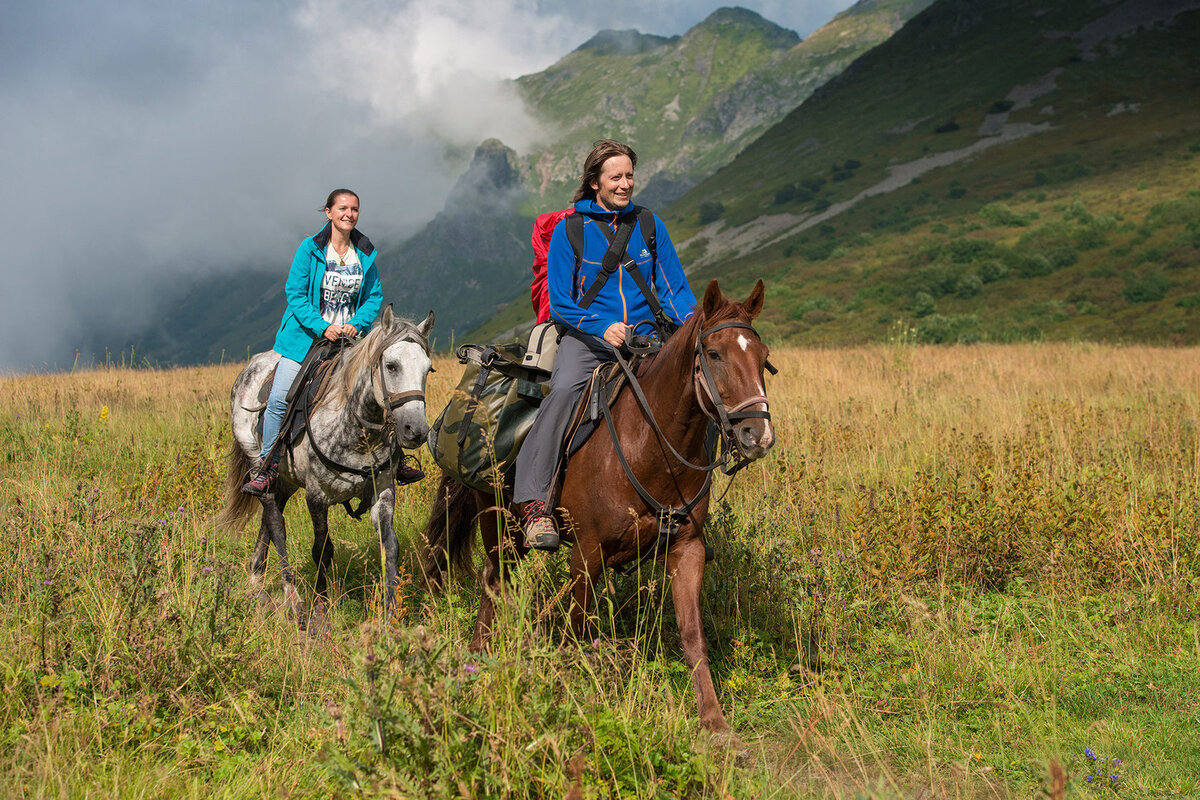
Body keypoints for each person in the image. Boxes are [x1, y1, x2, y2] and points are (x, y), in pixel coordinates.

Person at [513, 139, 697, 549]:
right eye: (616, 177)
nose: (625, 184)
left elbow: (675, 292)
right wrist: (601, 326)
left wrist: (698, 328)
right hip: (587, 341)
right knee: (562, 393)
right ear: (595, 182)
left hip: (647, 341)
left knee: (697, 391)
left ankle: (689, 509)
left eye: (630, 175)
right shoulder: (570, 230)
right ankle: (534, 505)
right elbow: (560, 302)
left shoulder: (651, 226)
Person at [241, 189, 422, 495]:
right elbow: (295, 293)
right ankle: (268, 466)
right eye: (342, 208)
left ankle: (395, 458)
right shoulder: (310, 249)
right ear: (328, 212)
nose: (348, 214)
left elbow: (373, 296)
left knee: (382, 390)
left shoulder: (364, 254)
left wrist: (356, 324)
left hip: (350, 342)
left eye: (354, 209)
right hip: (306, 339)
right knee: (278, 399)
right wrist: (322, 327)